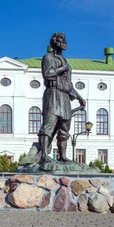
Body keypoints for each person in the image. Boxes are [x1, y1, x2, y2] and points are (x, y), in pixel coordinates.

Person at [38, 32, 86, 163]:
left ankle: (62, 156)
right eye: (60, 39)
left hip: (64, 97)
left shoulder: (66, 63)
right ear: (54, 42)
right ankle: (43, 155)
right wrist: (61, 69)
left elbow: (69, 85)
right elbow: (47, 74)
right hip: (52, 94)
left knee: (64, 128)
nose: (63, 42)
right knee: (48, 125)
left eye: (64, 39)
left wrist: (79, 97)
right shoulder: (48, 57)